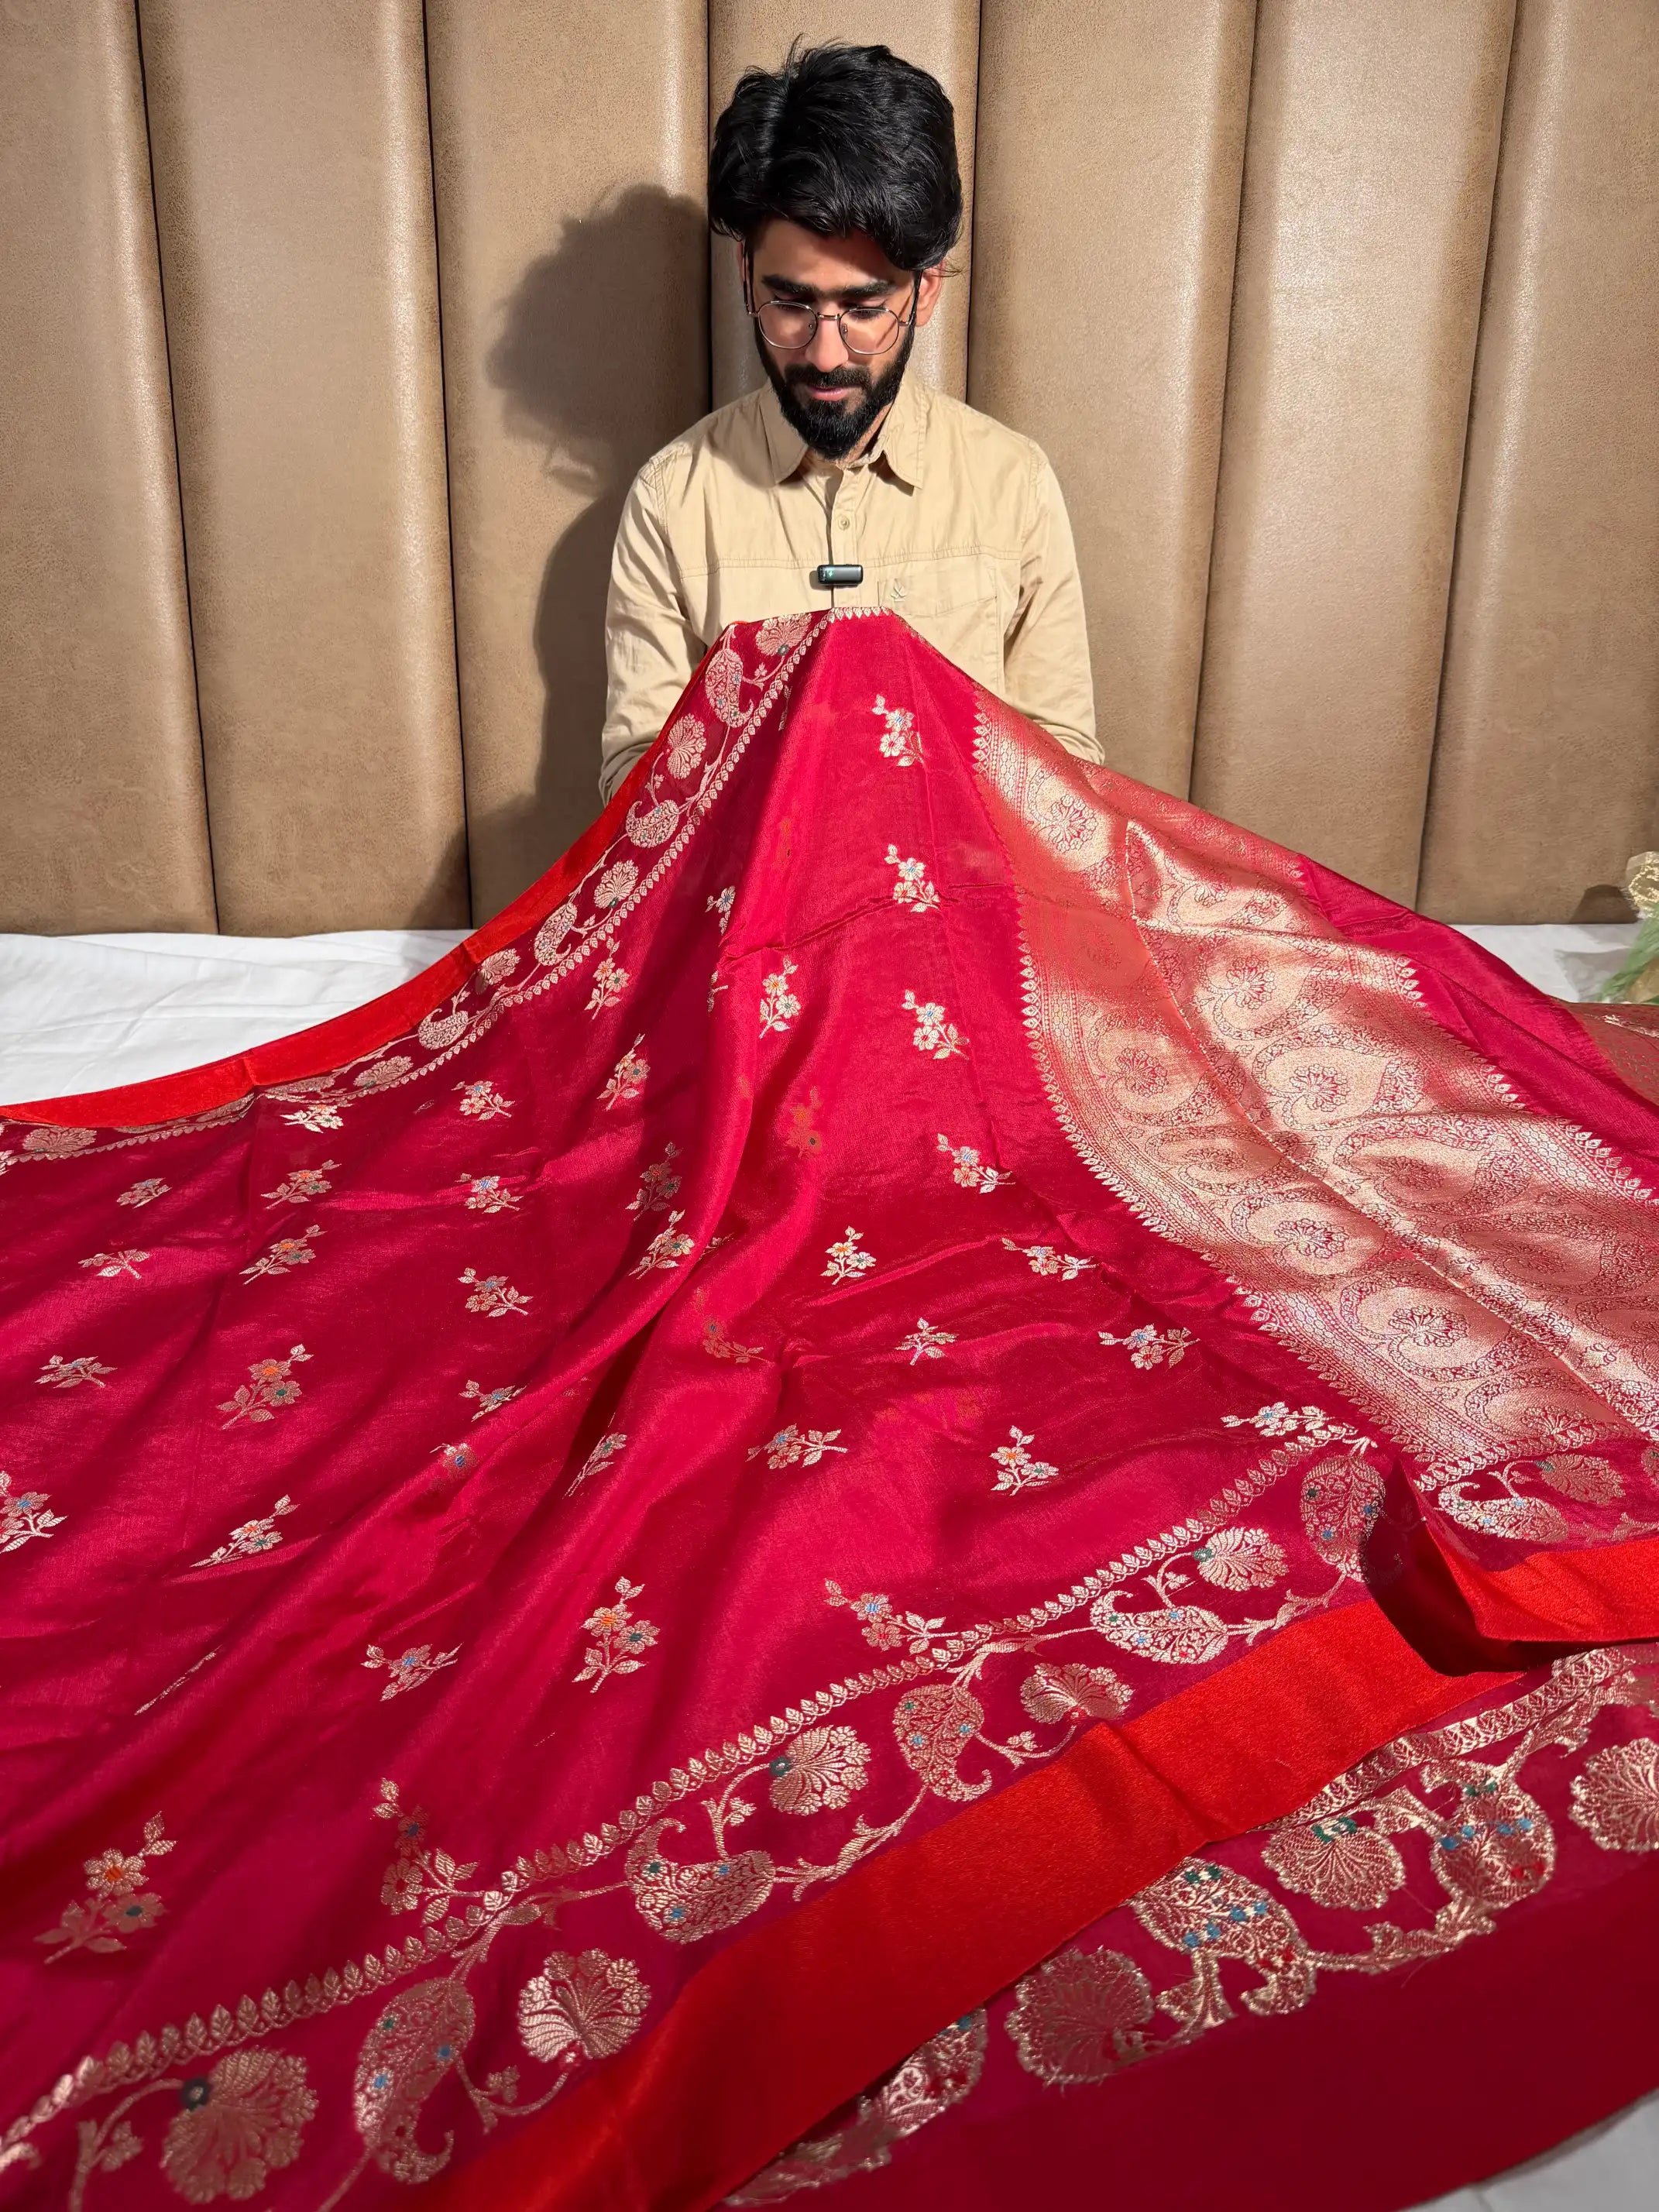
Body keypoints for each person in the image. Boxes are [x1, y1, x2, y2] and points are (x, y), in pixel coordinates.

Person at [598, 41, 1100, 799]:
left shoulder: (1013, 484)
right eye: (790, 303)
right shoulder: (673, 501)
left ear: (925, 291)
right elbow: (638, 792)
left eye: (865, 309)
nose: (825, 355)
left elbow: (1065, 774)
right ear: (745, 278)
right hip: (756, 908)